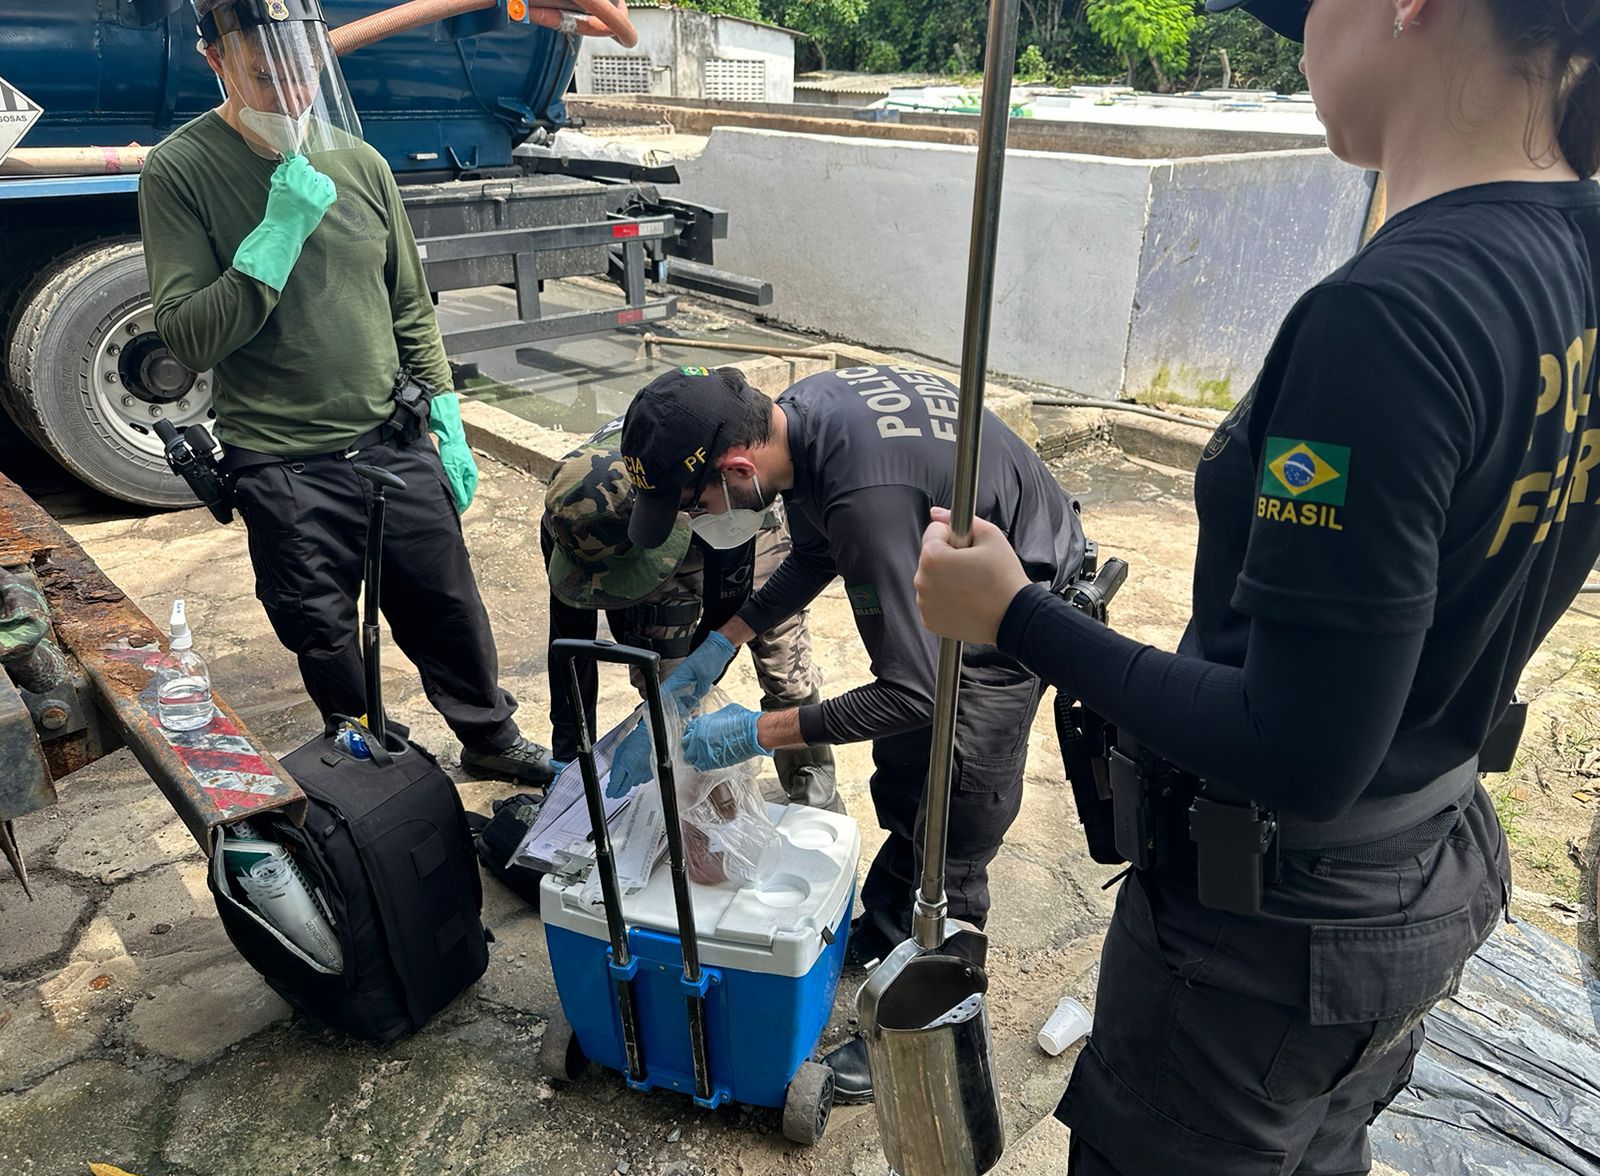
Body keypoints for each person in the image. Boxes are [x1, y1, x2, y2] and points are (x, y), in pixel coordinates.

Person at [915, 0, 1600, 1176]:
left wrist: (1016, 615)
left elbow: (1298, 750)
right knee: (1316, 1166)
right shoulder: (1573, 252)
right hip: (1422, 866)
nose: (1298, 43)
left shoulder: (1390, 317)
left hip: (1270, 938)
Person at [616, 363, 1086, 1102]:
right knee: (906, 775)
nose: (699, 520)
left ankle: (921, 1026)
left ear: (737, 469)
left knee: (957, 819)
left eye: (696, 505)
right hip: (954, 584)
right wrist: (722, 643)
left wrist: (758, 731)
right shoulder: (799, 422)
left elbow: (913, 692)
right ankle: (892, 927)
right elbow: (815, 553)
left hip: (1013, 607)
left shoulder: (863, 496)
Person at [140, 0, 554, 786]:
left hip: (391, 438)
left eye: (303, 73)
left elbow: (409, 303)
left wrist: (445, 416)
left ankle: (489, 736)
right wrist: (278, 232)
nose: (292, 94)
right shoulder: (180, 169)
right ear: (215, 61)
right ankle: (374, 761)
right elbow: (190, 337)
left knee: (447, 606)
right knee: (323, 631)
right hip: (283, 463)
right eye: (265, 75)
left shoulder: (359, 162)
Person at [539, 417, 839, 810]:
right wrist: (571, 751)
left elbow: (727, 614)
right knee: (661, 678)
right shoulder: (569, 518)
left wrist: (696, 683)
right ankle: (697, 801)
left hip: (735, 522)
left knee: (783, 661)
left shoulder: (712, 499)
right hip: (652, 533)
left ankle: (811, 783)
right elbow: (569, 641)